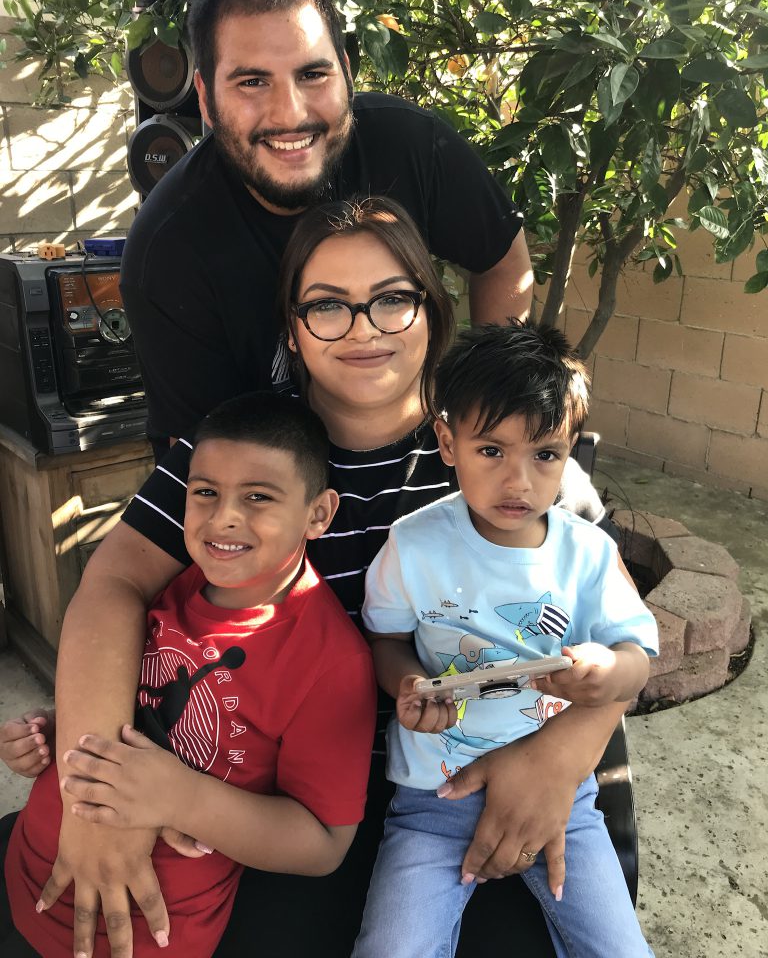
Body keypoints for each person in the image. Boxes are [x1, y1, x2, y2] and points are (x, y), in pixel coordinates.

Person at [2, 198, 627, 958]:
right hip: (275, 788)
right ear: (292, 330)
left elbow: (614, 623)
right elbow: (111, 588)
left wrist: (559, 755)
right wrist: (93, 790)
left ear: (433, 311)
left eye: (393, 300)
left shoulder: (501, 450)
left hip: (465, 774)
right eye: (328, 305)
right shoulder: (246, 449)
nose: (363, 328)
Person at [1, 392, 376, 958]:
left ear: (318, 514)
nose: (224, 516)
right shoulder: (157, 594)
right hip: (30, 879)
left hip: (154, 933)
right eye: (205, 493)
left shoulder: (330, 660)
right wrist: (53, 733)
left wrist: (180, 798)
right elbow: (144, 710)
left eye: (258, 497)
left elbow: (322, 843)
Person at [120, 0, 534, 456]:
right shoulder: (169, 250)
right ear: (205, 98)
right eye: (251, 82)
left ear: (345, 71)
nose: (290, 114)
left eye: (312, 75)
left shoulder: (412, 146)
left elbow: (503, 263)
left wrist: (482, 417)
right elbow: (208, 461)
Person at [352, 322, 658, 958]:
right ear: (447, 441)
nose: (518, 480)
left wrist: (605, 672)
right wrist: (407, 684)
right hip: (432, 803)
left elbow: (638, 657)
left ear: (569, 451)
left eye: (544, 454)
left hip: (564, 804)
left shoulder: (588, 555)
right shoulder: (413, 545)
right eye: (491, 450)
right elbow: (385, 640)